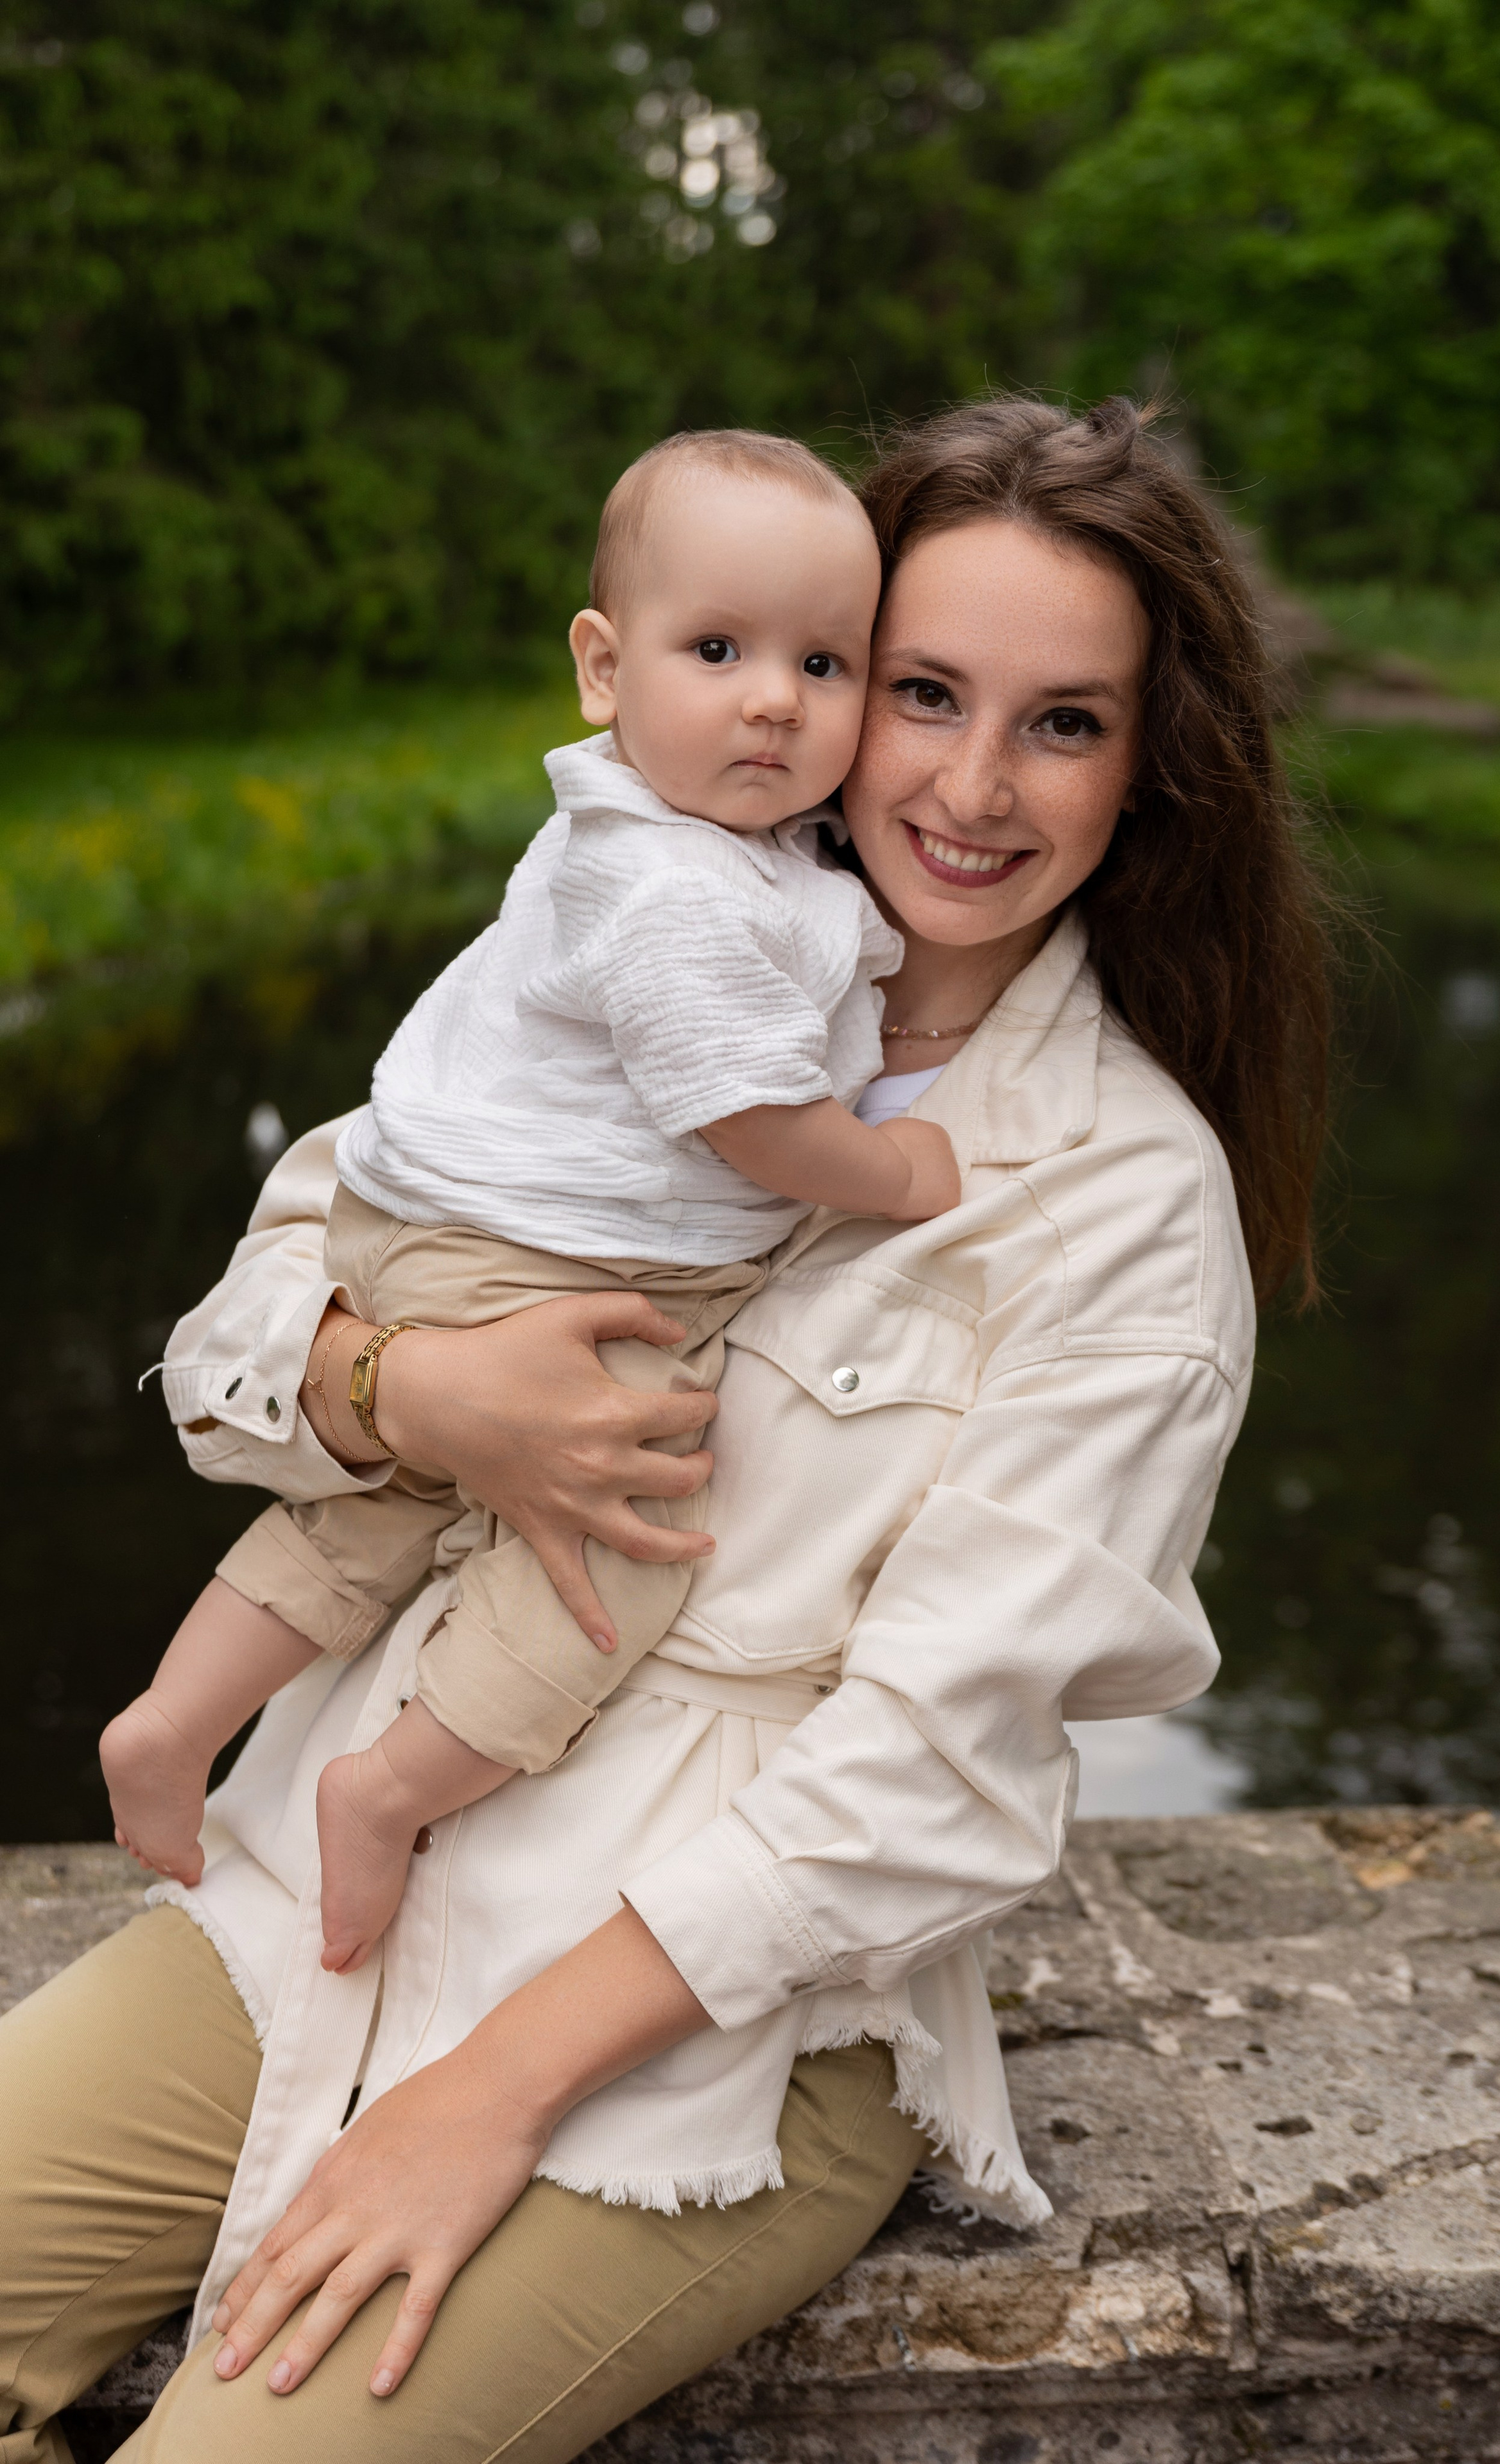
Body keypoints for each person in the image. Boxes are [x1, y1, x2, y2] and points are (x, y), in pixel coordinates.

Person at [0, 397, 1331, 2464]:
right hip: (336, 1889)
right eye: (923, 693)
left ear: (1153, 764)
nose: (975, 786)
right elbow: (238, 1335)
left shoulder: (1124, 1202)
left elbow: (933, 1780)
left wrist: (490, 2091)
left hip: (711, 2039)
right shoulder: (640, 912)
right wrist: (406, 1389)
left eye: (1064, 723)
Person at [98, 427, 960, 1978]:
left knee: (373, 1506)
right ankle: (392, 1789)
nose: (776, 697)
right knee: (631, 1525)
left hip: (438, 1231)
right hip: (552, 1261)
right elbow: (751, 1115)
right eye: (719, 649)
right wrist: (890, 1166)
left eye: (827, 663)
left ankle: (170, 1721)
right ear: (600, 667)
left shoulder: (688, 839)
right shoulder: (678, 885)